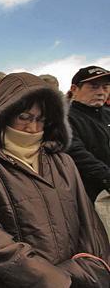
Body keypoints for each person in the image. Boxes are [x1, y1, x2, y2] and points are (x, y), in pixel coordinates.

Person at [0, 72, 110, 288]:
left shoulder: (63, 162)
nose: (33, 128)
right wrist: (55, 279)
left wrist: (91, 270)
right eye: (24, 117)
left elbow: (89, 224)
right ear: (3, 115)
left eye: (41, 119)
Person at [66, 66, 110, 238]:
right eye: (93, 86)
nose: (101, 92)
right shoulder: (64, 118)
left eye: (105, 87)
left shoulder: (108, 114)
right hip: (91, 198)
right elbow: (77, 154)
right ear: (74, 89)